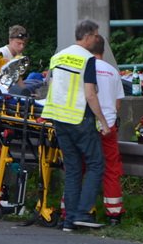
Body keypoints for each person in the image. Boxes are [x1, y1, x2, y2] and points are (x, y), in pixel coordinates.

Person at [42, 19, 110, 232]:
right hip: (79, 118)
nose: (97, 39)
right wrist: (103, 121)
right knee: (96, 164)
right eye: (96, 36)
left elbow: (51, 85)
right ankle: (82, 213)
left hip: (58, 118)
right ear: (88, 36)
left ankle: (70, 220)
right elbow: (90, 94)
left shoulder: (58, 56)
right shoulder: (87, 59)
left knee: (72, 169)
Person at [90, 34, 126, 225]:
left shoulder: (84, 69)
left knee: (83, 167)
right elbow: (117, 104)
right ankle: (114, 214)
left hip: (88, 126)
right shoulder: (112, 71)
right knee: (111, 169)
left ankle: (85, 210)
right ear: (103, 51)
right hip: (109, 127)